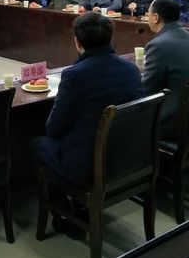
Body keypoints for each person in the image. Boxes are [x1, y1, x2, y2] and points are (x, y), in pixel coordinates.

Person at [34, 12, 144, 188]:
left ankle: (60, 203)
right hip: (129, 157)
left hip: (90, 167)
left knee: (38, 143)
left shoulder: (75, 75)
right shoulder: (132, 70)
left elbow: (53, 129)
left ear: (77, 42)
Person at [142, 0, 189, 138]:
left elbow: (147, 88)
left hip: (171, 120)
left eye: (148, 14)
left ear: (156, 17)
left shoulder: (158, 45)